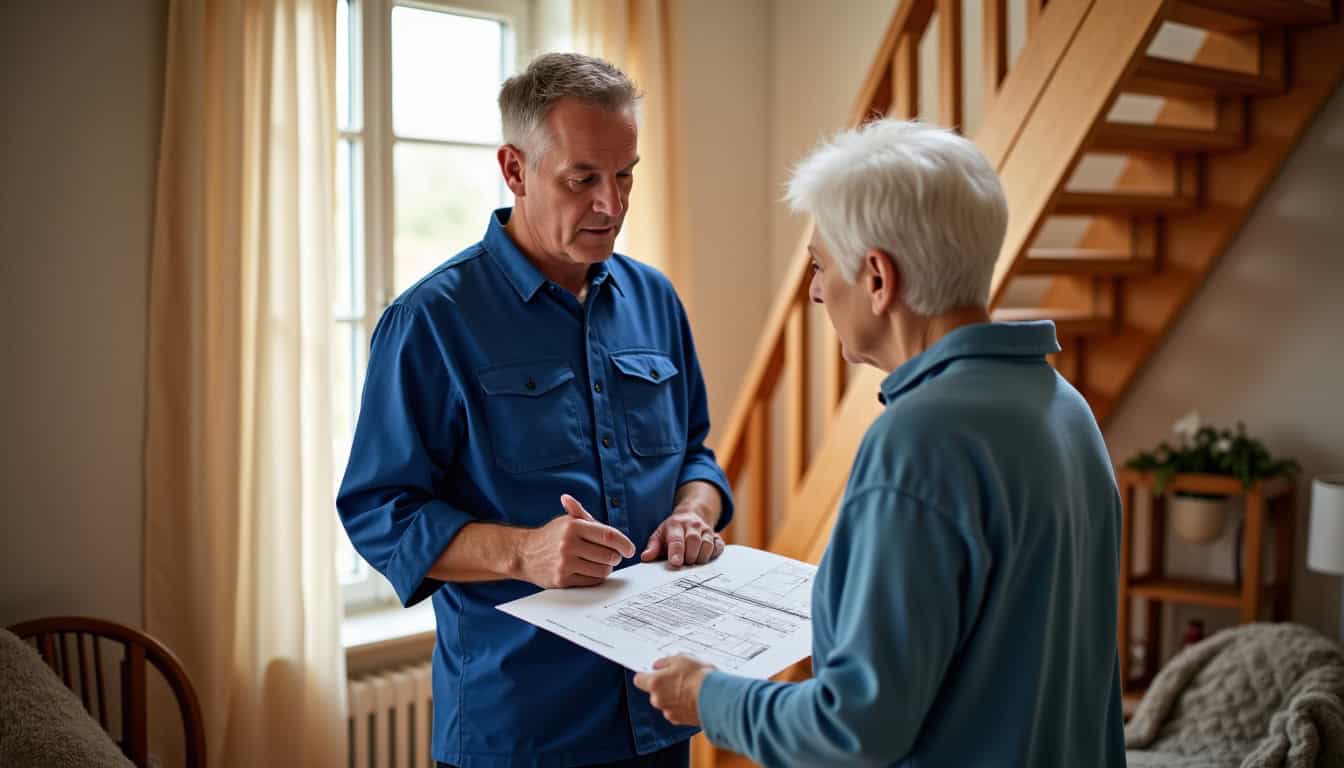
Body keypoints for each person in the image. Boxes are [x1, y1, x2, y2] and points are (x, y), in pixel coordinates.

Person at [633, 119, 1126, 767]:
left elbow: (853, 730)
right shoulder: (1065, 407)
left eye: (818, 264)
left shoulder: (920, 439)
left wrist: (708, 697)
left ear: (876, 278)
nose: (813, 291)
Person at [338, 52, 734, 768]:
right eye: (583, 179)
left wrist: (693, 515)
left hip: (658, 709)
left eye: (625, 175)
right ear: (515, 171)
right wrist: (523, 550)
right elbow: (378, 511)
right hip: (518, 730)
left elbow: (696, 456)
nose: (610, 204)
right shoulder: (431, 320)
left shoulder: (656, 301)